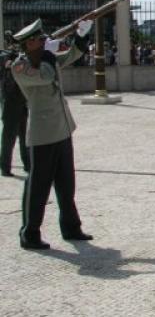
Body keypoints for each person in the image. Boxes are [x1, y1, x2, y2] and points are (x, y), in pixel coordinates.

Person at [11, 18, 94, 250]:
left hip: (62, 128)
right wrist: (48, 53)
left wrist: (81, 37)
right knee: (38, 187)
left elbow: (71, 56)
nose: (42, 41)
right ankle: (30, 233)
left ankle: (71, 227)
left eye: (42, 38)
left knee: (66, 184)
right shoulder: (20, 66)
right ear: (28, 44)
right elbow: (46, 76)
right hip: (43, 135)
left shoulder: (45, 59)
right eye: (38, 39)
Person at [0, 35, 30, 177]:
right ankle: (5, 167)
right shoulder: (4, 57)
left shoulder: (22, 57)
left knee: (25, 137)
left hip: (22, 101)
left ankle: (28, 164)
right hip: (10, 103)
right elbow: (7, 67)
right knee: (9, 137)